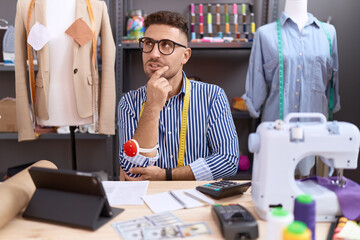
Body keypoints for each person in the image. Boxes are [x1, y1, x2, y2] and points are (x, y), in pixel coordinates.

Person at [118, 11, 239, 181]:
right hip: (146, 202)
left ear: (185, 56)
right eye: (148, 43)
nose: (154, 53)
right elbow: (132, 172)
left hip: (196, 201)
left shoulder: (212, 96)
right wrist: (152, 106)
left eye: (166, 45)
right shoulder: (129, 103)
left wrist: (165, 175)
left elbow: (228, 161)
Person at [242, 0, 339, 176]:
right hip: (277, 130)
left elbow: (333, 82)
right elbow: (256, 82)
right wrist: (253, 105)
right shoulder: (265, 34)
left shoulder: (329, 33)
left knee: (314, 191)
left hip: (316, 131)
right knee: (276, 193)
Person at [14, 0, 116, 141]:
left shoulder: (96, 5)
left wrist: (105, 120)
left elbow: (109, 58)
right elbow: (19, 63)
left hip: (85, 103)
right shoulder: (25, 6)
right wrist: (25, 127)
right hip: (48, 104)